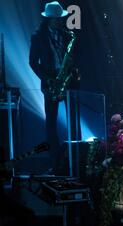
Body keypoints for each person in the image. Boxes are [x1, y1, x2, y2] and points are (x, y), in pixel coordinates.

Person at [29, 1, 80, 174]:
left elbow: (70, 57)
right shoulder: (38, 37)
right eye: (57, 19)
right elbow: (33, 62)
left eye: (61, 18)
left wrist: (71, 69)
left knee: (74, 121)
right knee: (51, 124)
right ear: (49, 19)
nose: (60, 21)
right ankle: (55, 161)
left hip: (68, 82)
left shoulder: (67, 36)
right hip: (51, 84)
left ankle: (75, 159)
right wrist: (48, 79)